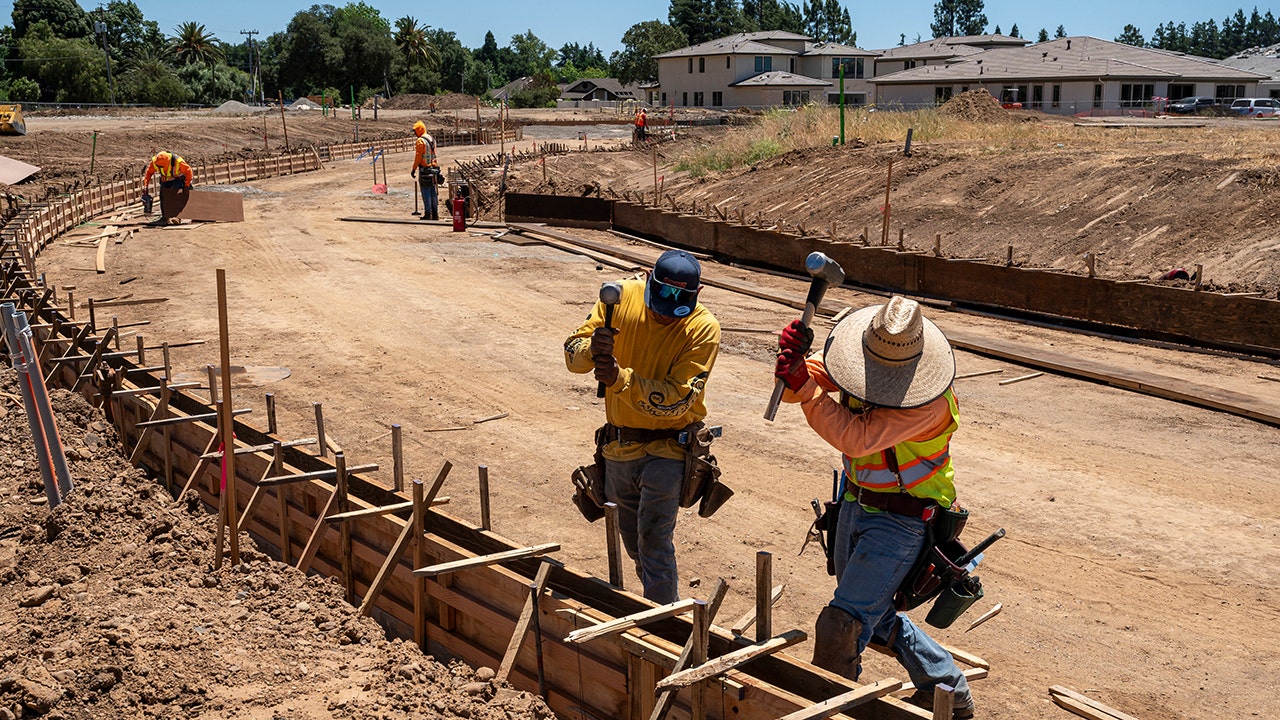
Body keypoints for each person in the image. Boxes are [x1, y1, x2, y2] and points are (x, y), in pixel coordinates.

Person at [773, 296, 975, 719]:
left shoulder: (930, 402)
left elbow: (855, 437)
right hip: (855, 502)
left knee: (842, 623)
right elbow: (808, 385)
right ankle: (948, 688)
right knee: (876, 613)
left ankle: (827, 709)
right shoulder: (866, 361)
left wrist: (805, 387)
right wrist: (797, 364)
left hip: (904, 520)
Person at [564, 250, 720, 604]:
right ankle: (655, 606)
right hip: (619, 447)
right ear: (649, 279)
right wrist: (592, 349)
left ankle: (665, 625)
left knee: (653, 540)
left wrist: (620, 380)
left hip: (669, 450)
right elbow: (572, 356)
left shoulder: (703, 327)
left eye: (677, 308)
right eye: (658, 304)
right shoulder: (617, 299)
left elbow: (679, 399)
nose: (663, 316)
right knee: (634, 541)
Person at [141, 151, 193, 220]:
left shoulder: (178, 162)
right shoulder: (155, 163)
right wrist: (145, 186)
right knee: (163, 197)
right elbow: (148, 173)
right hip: (165, 181)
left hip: (178, 180)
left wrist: (186, 186)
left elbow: (189, 172)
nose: (159, 167)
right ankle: (165, 216)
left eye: (161, 166)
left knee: (176, 196)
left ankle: (176, 216)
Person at [410, 121, 439, 220]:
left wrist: (414, 169)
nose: (415, 134)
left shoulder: (420, 141)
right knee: (433, 191)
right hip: (433, 168)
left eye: (415, 131)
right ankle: (435, 214)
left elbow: (418, 156)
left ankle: (428, 213)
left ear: (420, 129)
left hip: (425, 169)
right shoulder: (431, 139)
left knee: (426, 191)